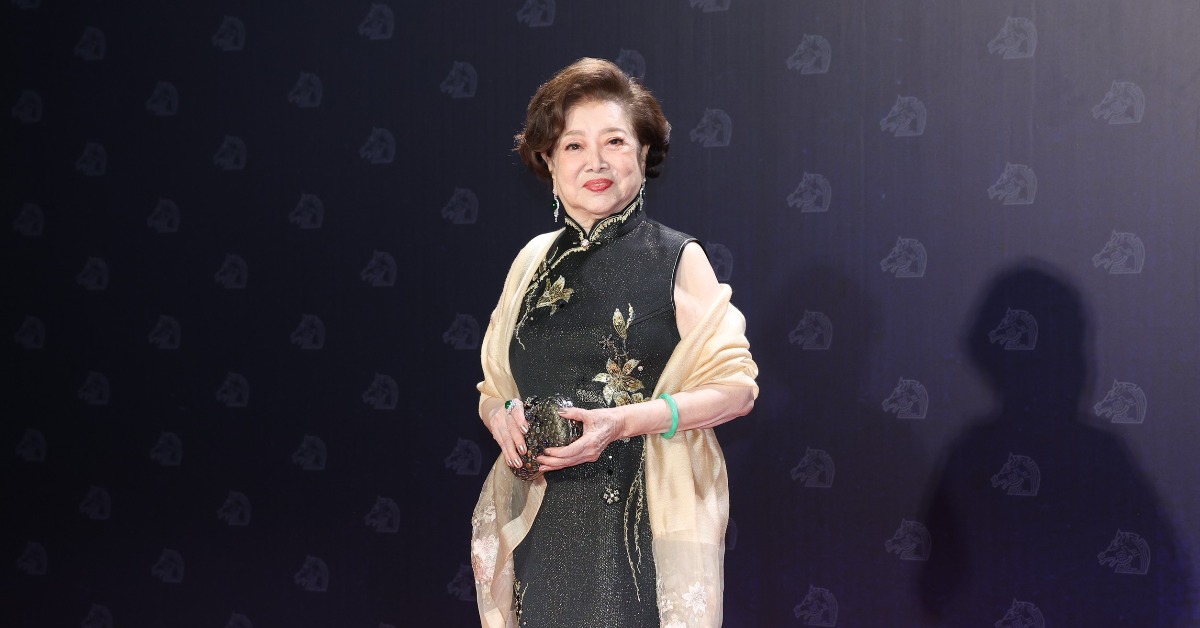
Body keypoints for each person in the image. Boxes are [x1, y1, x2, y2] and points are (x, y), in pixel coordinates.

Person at [469, 58, 759, 628]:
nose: (595, 161)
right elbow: (493, 388)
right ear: (548, 160)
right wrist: (499, 415)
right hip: (540, 526)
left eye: (615, 141)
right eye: (573, 145)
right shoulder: (530, 262)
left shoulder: (677, 258)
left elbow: (737, 389)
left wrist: (622, 422)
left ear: (644, 153)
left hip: (636, 527)